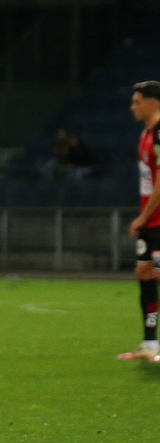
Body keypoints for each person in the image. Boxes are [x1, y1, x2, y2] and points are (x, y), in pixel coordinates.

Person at [121, 81, 160, 361]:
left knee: (156, 273)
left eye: (137, 102)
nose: (132, 107)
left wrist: (144, 216)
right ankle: (150, 344)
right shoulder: (146, 134)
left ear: (151, 103)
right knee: (145, 273)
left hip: (159, 221)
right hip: (150, 221)